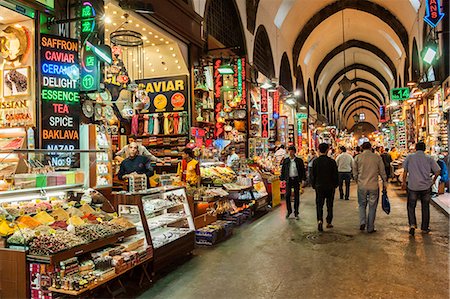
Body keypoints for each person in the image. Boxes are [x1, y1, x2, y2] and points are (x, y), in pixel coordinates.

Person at [402, 142, 440, 235]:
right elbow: (438, 171)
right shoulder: (429, 158)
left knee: (411, 206)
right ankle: (424, 228)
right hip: (426, 186)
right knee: (425, 207)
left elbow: (405, 171)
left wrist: (403, 182)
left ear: (415, 148)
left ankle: (412, 224)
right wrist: (433, 181)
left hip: (413, 186)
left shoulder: (410, 157)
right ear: (424, 149)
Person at [353, 141, 387, 233]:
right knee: (372, 206)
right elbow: (382, 171)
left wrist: (357, 180)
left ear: (362, 148)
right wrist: (384, 182)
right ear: (371, 148)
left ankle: (362, 221)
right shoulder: (377, 157)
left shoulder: (357, 157)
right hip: (373, 185)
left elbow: (355, 172)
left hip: (362, 185)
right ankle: (370, 227)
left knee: (362, 204)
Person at [311, 143, 339, 231]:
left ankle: (320, 220)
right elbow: (335, 174)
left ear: (319, 150)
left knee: (319, 204)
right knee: (329, 205)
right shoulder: (332, 162)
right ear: (327, 150)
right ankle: (329, 222)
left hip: (319, 186)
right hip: (330, 186)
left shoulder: (315, 162)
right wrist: (336, 184)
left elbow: (313, 175)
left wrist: (314, 184)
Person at [280, 145, 306, 220]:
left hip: (296, 179)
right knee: (287, 195)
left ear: (294, 152)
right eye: (289, 151)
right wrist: (282, 178)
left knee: (296, 196)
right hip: (288, 180)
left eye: (292, 151)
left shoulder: (299, 160)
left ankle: (296, 212)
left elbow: (302, 170)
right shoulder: (286, 160)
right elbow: (283, 170)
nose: (290, 152)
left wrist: (303, 179)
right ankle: (289, 211)